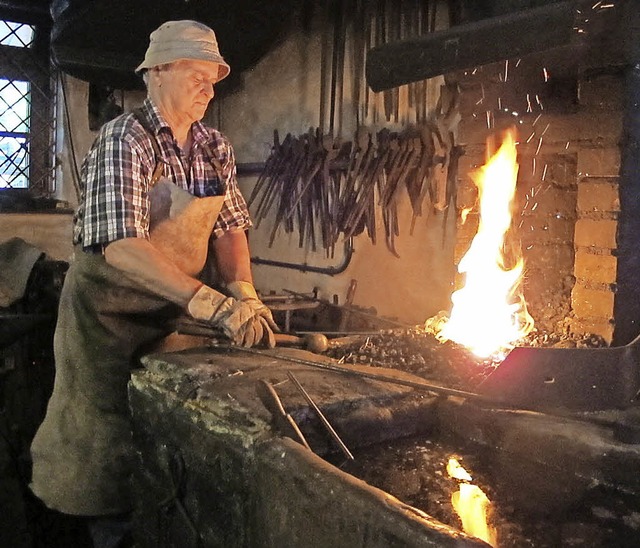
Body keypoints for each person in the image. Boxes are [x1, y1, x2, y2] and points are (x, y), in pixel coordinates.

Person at [29, 19, 277, 547]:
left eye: (214, 79)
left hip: (172, 318)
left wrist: (243, 294)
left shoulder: (213, 145)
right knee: (108, 450)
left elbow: (230, 229)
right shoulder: (127, 138)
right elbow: (121, 246)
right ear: (158, 73)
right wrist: (209, 302)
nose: (209, 89)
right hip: (107, 323)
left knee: (167, 443)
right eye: (197, 76)